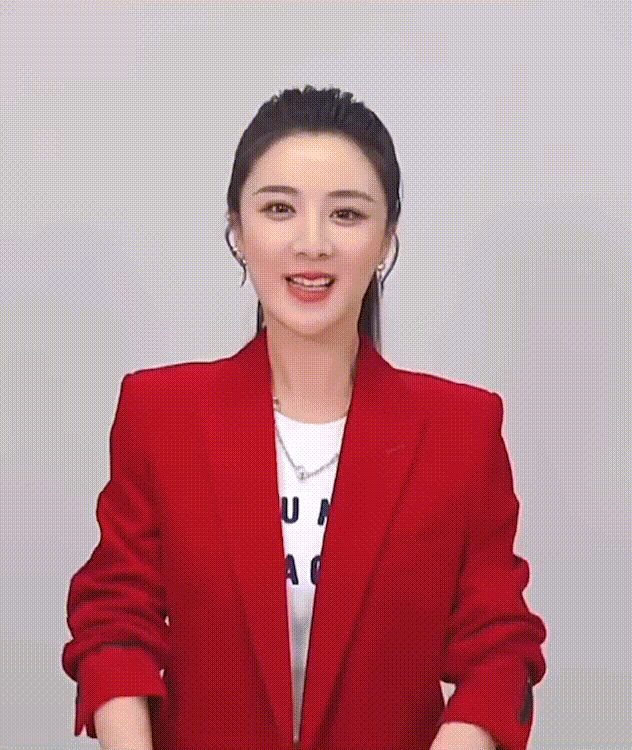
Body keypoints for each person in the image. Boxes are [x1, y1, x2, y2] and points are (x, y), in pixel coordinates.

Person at [62, 85, 547, 750]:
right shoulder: (162, 414)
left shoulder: (460, 430)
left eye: (346, 214)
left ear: (386, 239)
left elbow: (499, 646)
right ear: (238, 230)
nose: (312, 243)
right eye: (279, 209)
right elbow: (114, 620)